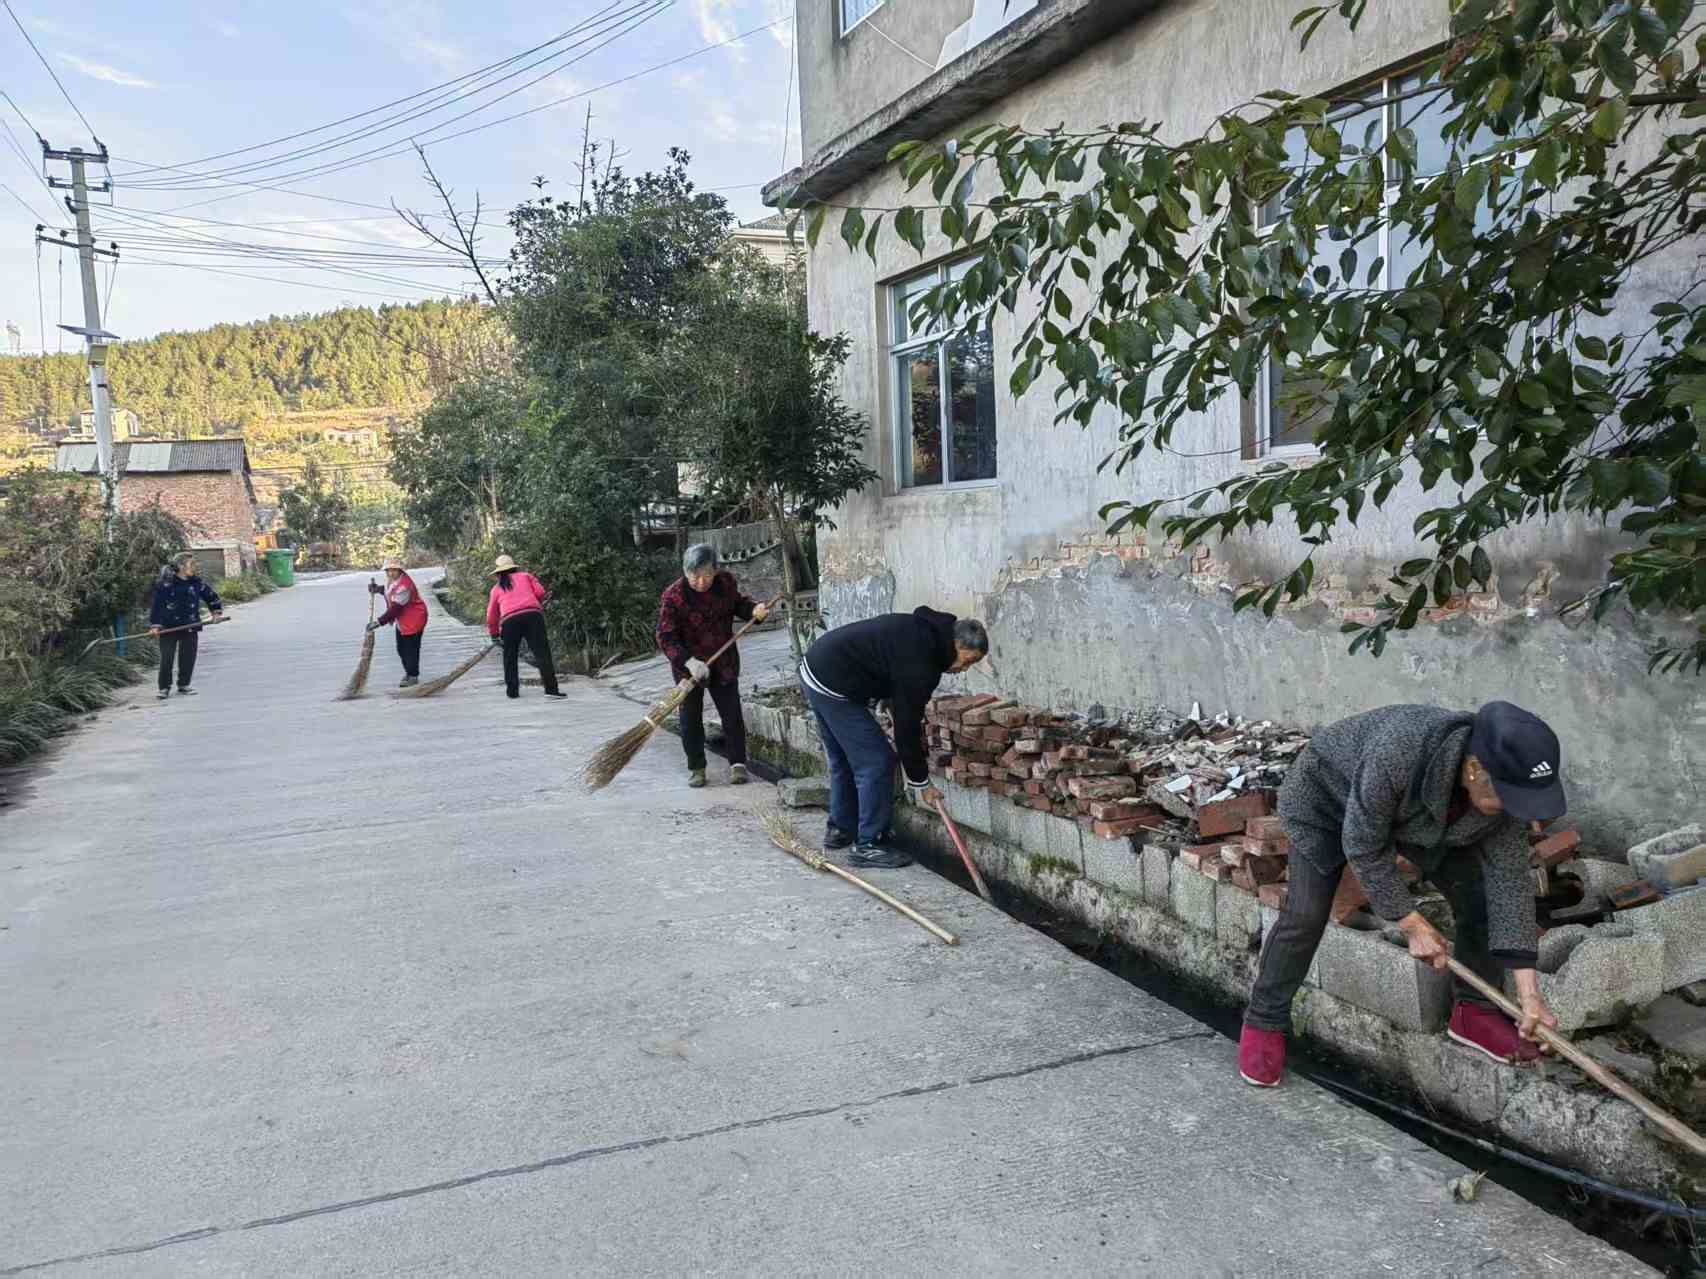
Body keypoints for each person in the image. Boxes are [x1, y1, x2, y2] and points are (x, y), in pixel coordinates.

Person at [1238, 701, 1565, 1088]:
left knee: (1481, 902)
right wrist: (1410, 922)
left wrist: (1529, 995)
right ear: (1475, 769)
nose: (1520, 813)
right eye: (1510, 800)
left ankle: (1474, 1013)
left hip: (1418, 820)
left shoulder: (1499, 794)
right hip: (1326, 800)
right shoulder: (1399, 751)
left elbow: (1510, 883)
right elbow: (1361, 844)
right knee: (1306, 915)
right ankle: (1264, 1020)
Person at [799, 608, 989, 868]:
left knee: (844, 757)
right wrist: (921, 782)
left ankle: (841, 829)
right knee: (876, 761)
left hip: (817, 667)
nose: (964, 669)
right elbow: (907, 726)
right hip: (832, 682)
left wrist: (889, 698)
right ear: (957, 643)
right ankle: (869, 845)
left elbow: (889, 662)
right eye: (968, 660)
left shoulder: (926, 633)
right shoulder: (923, 663)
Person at [655, 544, 771, 789]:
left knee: (731, 713)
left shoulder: (725, 583)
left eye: (707, 575)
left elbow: (738, 604)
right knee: (690, 718)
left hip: (723, 660)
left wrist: (754, 610)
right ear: (685, 573)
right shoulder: (673, 596)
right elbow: (665, 637)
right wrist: (689, 662)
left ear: (716, 571)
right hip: (689, 667)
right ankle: (697, 767)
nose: (700, 581)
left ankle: (738, 764)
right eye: (694, 576)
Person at [485, 554, 565, 700]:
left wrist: (494, 634)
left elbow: (491, 614)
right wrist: (535, 602)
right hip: (533, 616)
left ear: (498, 573)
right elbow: (540, 592)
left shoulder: (496, 589)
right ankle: (551, 690)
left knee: (510, 657)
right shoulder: (526, 576)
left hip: (509, 622)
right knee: (542, 653)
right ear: (514, 568)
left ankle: (512, 692)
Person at [148, 554, 224, 700]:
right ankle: (164, 687)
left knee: (188, 657)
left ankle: (183, 685)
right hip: (168, 627)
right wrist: (155, 625)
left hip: (190, 625)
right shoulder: (165, 584)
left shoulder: (196, 583)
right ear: (181, 566)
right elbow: (157, 606)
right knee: (167, 658)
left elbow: (211, 596)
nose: (195, 567)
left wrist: (216, 613)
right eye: (192, 564)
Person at [366, 558, 429, 688]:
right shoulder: (394, 581)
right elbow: (389, 591)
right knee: (401, 649)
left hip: (414, 619)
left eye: (394, 570)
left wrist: (378, 622)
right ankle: (409, 672)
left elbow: (395, 609)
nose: (391, 573)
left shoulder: (405, 586)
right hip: (403, 619)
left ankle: (412, 675)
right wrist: (378, 589)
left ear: (400, 570)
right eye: (388, 570)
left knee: (410, 649)